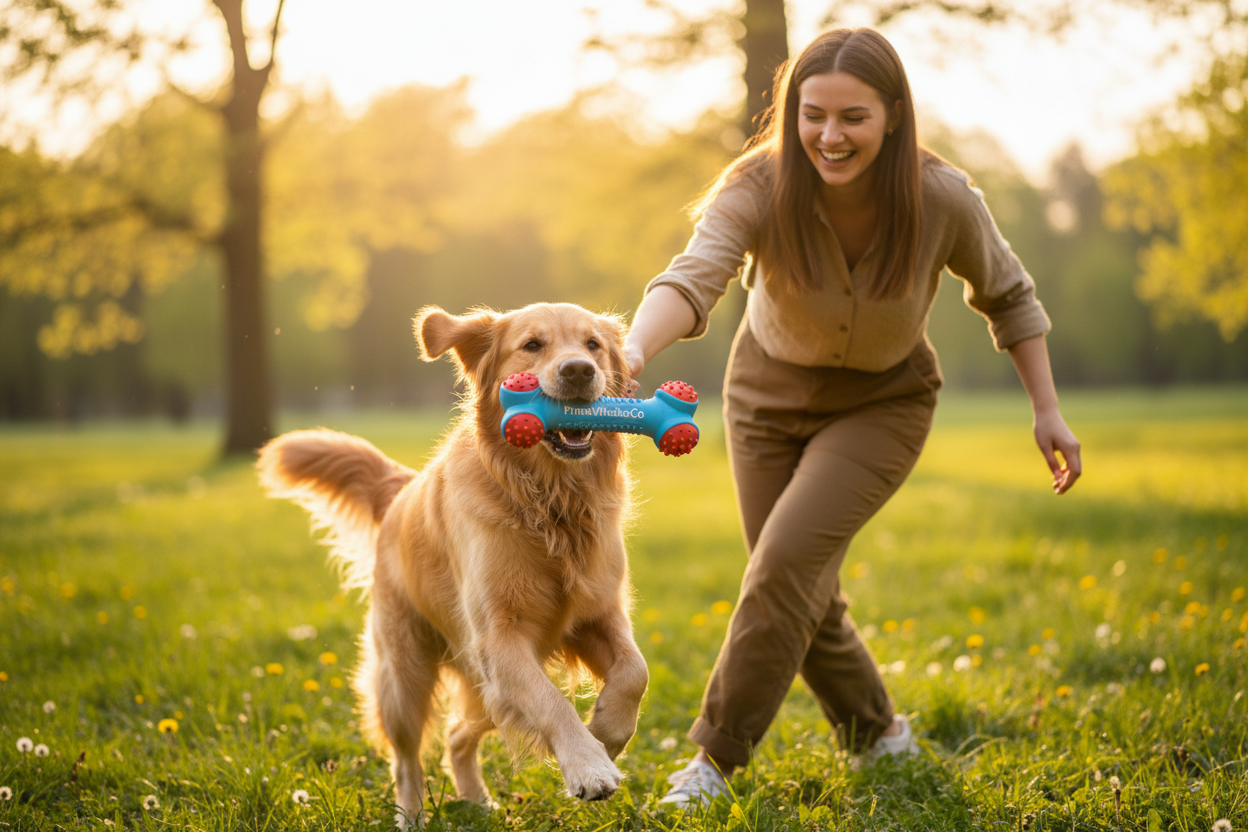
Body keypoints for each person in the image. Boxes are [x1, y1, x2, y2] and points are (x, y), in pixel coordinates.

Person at [622, 27, 1083, 807]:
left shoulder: (942, 198)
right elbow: (696, 274)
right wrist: (632, 350)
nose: (829, 137)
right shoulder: (758, 187)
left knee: (781, 570)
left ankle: (712, 765)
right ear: (793, 114)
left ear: (894, 116)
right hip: (765, 398)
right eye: (813, 115)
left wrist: (1047, 409)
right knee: (800, 585)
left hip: (883, 404)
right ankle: (879, 734)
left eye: (853, 118)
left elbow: (1009, 295)